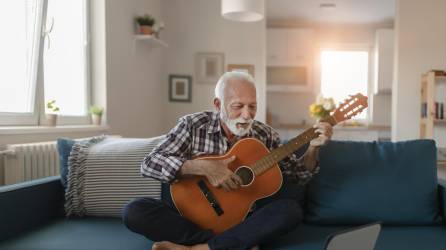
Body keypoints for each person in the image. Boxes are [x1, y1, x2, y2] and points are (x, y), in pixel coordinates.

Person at [123, 71, 333, 250]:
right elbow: (149, 164)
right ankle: (227, 245)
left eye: (252, 106)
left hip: (239, 221)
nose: (246, 115)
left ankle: (199, 248)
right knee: (134, 211)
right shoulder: (192, 125)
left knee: (290, 211)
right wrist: (202, 167)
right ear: (218, 104)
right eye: (238, 106)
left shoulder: (266, 135)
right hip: (185, 218)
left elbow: (299, 176)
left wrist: (312, 149)